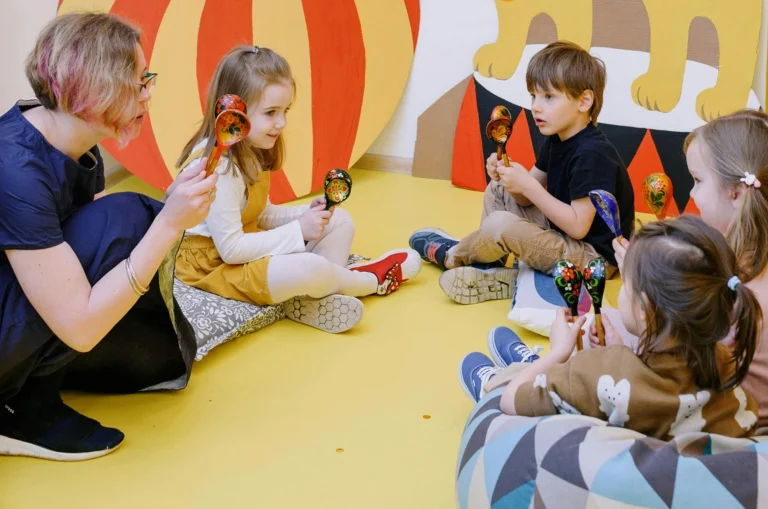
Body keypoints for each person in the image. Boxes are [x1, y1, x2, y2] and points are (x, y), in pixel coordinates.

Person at [0, 13, 217, 460]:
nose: (148, 93)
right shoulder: (15, 168)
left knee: (134, 222)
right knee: (131, 218)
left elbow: (94, 249)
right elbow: (80, 327)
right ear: (92, 88)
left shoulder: (77, 145)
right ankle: (16, 407)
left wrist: (169, 209)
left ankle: (32, 387)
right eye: (138, 82)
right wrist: (169, 223)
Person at [174, 45, 421, 333]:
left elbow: (259, 213)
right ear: (233, 114)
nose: (282, 123)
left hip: (243, 244)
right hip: (213, 263)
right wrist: (298, 231)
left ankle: (316, 295)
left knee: (340, 221)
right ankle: (369, 280)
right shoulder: (221, 167)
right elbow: (231, 250)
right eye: (270, 112)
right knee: (312, 267)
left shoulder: (251, 149)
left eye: (285, 110)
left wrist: (303, 215)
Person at [460, 216, 760, 440]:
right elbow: (659, 387)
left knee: (513, 383)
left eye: (626, 285)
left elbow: (511, 401)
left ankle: (503, 378)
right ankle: (529, 367)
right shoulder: (726, 364)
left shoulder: (598, 371)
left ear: (644, 308)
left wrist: (559, 352)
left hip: (558, 435)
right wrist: (622, 352)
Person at [409, 41, 634, 305]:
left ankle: (453, 256)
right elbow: (525, 199)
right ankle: (490, 264)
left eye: (548, 97)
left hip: (592, 259)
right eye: (533, 96)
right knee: (498, 190)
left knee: (500, 226)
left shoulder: (593, 154)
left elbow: (577, 226)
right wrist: (507, 176)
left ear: (584, 101)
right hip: (562, 235)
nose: (536, 106)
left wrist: (528, 185)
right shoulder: (559, 138)